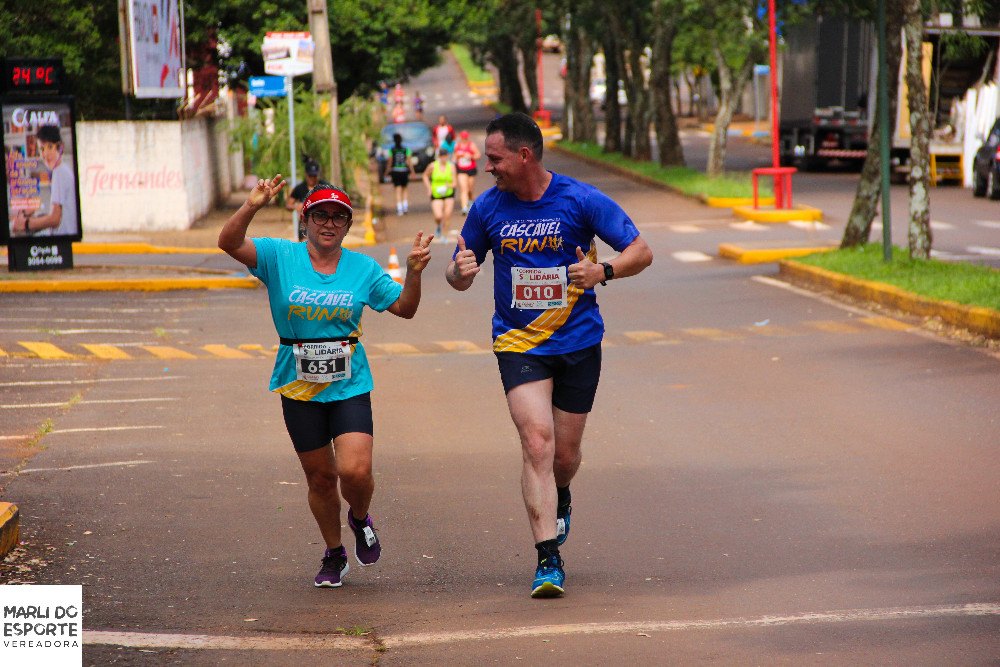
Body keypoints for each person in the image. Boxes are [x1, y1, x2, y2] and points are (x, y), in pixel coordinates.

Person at [446, 113, 653, 599]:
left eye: (494, 159)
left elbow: (640, 251)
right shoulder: (486, 209)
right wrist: (460, 271)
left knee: (563, 454)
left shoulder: (579, 199)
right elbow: (459, 275)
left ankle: (561, 494)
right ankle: (547, 560)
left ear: (525, 155)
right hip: (519, 344)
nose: (486, 167)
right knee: (536, 442)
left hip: (578, 342)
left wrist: (603, 271)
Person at [219, 175, 433, 588]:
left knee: (355, 471)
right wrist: (251, 205)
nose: (329, 223)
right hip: (297, 383)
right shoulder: (278, 256)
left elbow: (405, 308)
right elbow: (228, 243)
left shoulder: (364, 268)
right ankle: (334, 553)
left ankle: (359, 517)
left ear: (348, 226)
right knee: (319, 477)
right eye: (321, 215)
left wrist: (413, 273)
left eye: (338, 217)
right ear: (306, 220)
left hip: (349, 382)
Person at [11, 124, 77, 237]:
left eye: (50, 147)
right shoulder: (62, 170)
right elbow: (57, 214)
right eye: (42, 149)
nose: (45, 154)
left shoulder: (59, 173)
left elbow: (55, 219)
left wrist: (26, 224)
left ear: (59, 148)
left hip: (61, 236)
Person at [423, 147, 457, 243]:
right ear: (439, 157)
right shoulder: (433, 166)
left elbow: (455, 182)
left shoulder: (451, 166)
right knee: (438, 216)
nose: (443, 158)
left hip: (448, 193)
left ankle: (444, 235)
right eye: (441, 156)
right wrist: (429, 188)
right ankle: (438, 226)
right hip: (436, 193)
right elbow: (425, 176)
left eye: (445, 156)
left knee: (447, 215)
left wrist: (449, 186)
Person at [286, 160, 321, 240]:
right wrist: (295, 206)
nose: (312, 178)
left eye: (314, 176)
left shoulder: (325, 187)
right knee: (304, 246)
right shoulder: (300, 188)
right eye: (310, 176)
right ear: (306, 174)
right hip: (305, 222)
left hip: (321, 222)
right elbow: (288, 205)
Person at [453, 130, 481, 215]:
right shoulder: (457, 146)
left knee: (470, 188)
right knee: (464, 188)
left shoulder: (471, 145)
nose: (464, 139)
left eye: (465, 138)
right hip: (461, 169)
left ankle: (470, 200)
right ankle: (464, 207)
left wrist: (471, 156)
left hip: (471, 169)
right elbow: (454, 158)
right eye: (463, 138)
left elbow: (478, 155)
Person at [387, 132, 415, 216]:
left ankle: (399, 209)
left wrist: (387, 171)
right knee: (404, 188)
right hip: (404, 171)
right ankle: (405, 206)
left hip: (395, 171)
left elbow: (390, 161)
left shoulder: (392, 150)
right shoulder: (406, 150)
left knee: (397, 189)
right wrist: (412, 171)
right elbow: (409, 162)